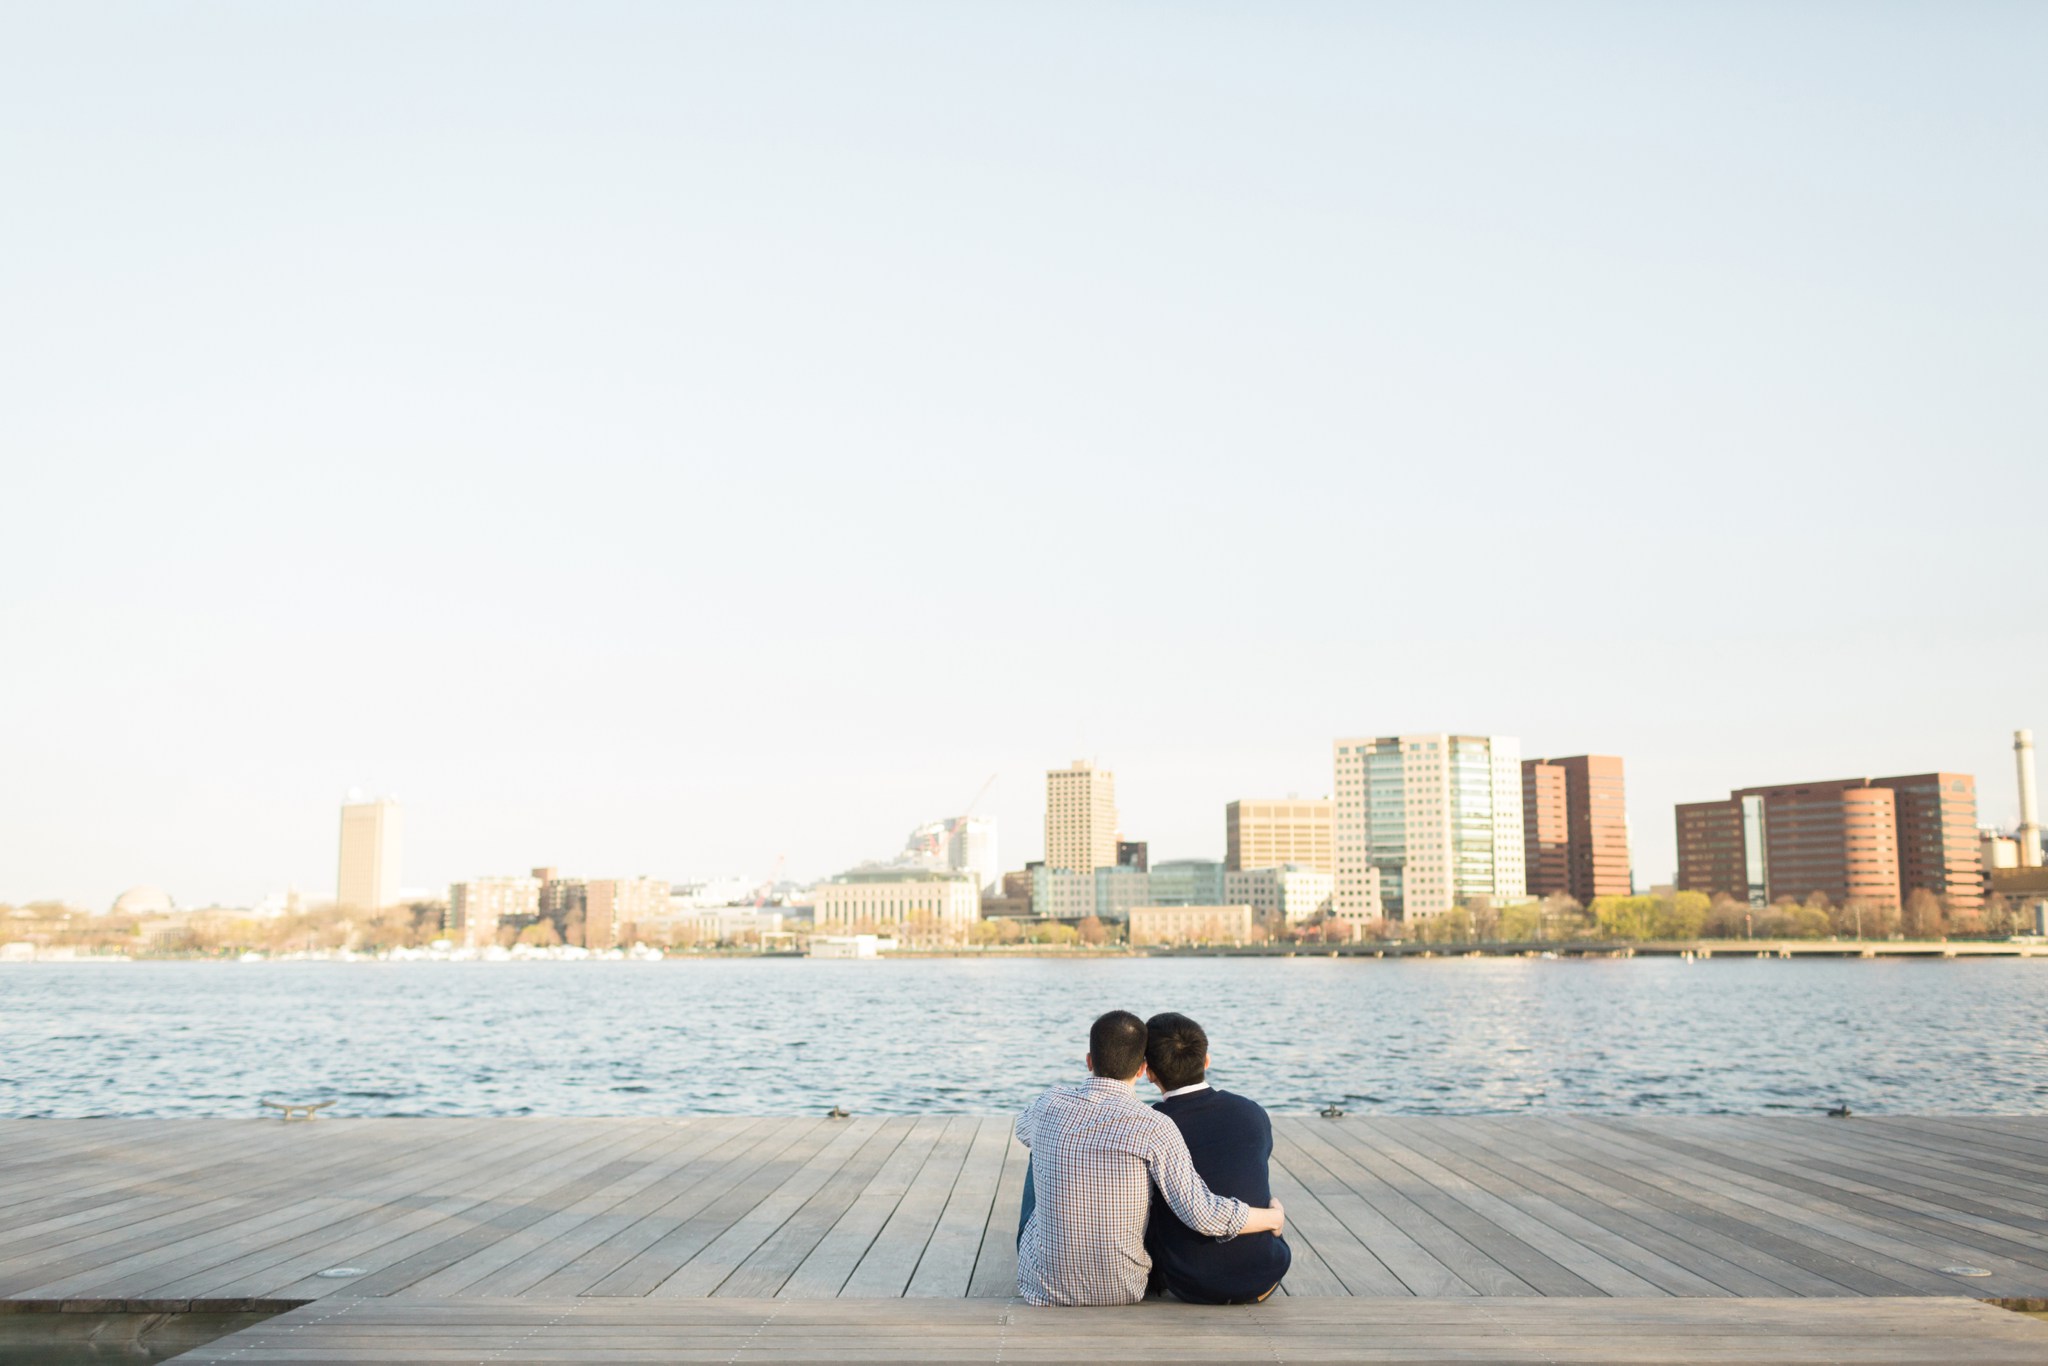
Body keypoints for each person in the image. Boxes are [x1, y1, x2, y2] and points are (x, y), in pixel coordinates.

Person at [1014, 1009, 1285, 1307]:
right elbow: (1201, 1213)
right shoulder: (1154, 1124)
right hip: (1122, 1288)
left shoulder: (1048, 1102)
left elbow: (1023, 1130)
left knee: (1039, 1145)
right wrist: (1271, 1217)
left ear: (1089, 1061)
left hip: (1042, 1286)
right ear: (1142, 1068)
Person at [1141, 1011, 1291, 1303]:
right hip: (1265, 1274)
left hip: (1188, 1280)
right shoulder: (1251, 1111)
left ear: (1149, 1072)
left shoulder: (1153, 1123)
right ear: (1206, 1061)